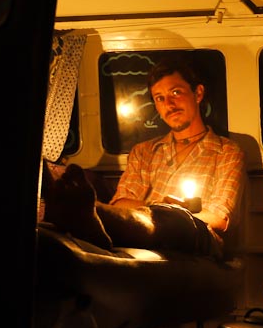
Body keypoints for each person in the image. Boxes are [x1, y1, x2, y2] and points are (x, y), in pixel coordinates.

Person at [43, 56, 246, 259]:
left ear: (198, 93)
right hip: (144, 228)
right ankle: (90, 215)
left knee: (173, 223)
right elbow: (120, 204)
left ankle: (90, 214)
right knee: (143, 221)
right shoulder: (144, 152)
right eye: (160, 98)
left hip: (197, 236)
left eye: (176, 92)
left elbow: (220, 218)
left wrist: (171, 213)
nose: (169, 104)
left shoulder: (226, 151)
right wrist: (158, 207)